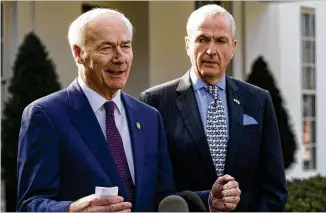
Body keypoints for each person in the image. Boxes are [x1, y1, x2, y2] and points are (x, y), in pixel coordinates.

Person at [16, 8, 176, 212]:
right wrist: (72, 210)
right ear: (78, 53)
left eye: (125, 46)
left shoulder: (149, 117)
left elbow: (164, 196)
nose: (120, 58)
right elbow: (29, 204)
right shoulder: (45, 115)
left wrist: (208, 199)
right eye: (106, 48)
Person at [140, 4, 287, 211]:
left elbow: (274, 188)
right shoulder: (155, 101)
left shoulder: (258, 100)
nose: (211, 50)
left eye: (221, 40)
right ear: (188, 44)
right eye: (202, 39)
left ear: (233, 47)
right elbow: (152, 187)